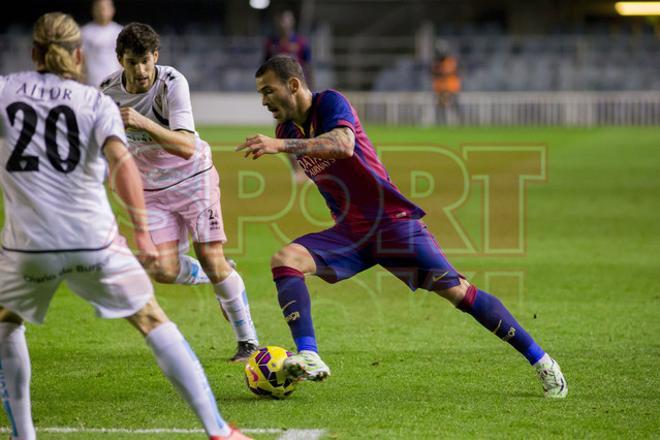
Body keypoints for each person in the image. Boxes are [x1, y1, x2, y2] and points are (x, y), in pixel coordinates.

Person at [236, 55, 568, 398]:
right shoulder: (287, 129)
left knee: (460, 294)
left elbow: (344, 145)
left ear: (292, 85)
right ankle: (309, 355)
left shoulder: (330, 102)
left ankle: (543, 363)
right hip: (351, 232)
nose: (264, 101)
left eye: (268, 91)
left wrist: (281, 146)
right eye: (261, 94)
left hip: (391, 224)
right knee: (285, 259)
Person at [0, 12, 251, 440]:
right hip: (93, 237)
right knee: (152, 317)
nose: (139, 68)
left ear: (33, 53)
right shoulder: (97, 100)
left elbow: (182, 145)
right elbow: (119, 161)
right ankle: (219, 431)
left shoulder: (5, 91)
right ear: (81, 55)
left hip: (28, 244)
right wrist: (138, 230)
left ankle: (25, 435)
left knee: (6, 323)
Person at [100, 23, 259, 363]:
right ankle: (217, 271)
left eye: (146, 60)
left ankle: (248, 343)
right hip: (150, 188)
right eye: (132, 62)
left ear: (155, 56)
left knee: (210, 256)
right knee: (161, 269)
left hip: (192, 178)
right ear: (120, 61)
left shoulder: (172, 82)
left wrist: (142, 123)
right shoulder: (106, 93)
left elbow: (186, 146)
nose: (141, 70)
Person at [263, 9, 312, 183]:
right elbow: (265, 68)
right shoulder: (271, 43)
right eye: (281, 19)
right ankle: (296, 169)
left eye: (287, 19)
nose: (284, 23)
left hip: (298, 93)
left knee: (306, 131)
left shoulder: (301, 43)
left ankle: (309, 168)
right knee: (283, 131)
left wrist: (309, 89)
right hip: (279, 96)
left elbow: (308, 67)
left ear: (292, 21)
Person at [81, 0, 123, 87]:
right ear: (93, 10)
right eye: (99, 8)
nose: (102, 11)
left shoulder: (120, 31)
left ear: (112, 10)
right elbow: (81, 59)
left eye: (105, 8)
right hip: (91, 84)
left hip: (114, 84)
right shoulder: (84, 32)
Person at [431, 49, 461, 125]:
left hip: (451, 88)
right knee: (441, 107)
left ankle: (456, 123)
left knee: (452, 107)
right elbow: (434, 73)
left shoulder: (450, 62)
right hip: (440, 88)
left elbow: (448, 72)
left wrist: (439, 70)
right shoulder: (437, 63)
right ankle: (441, 123)